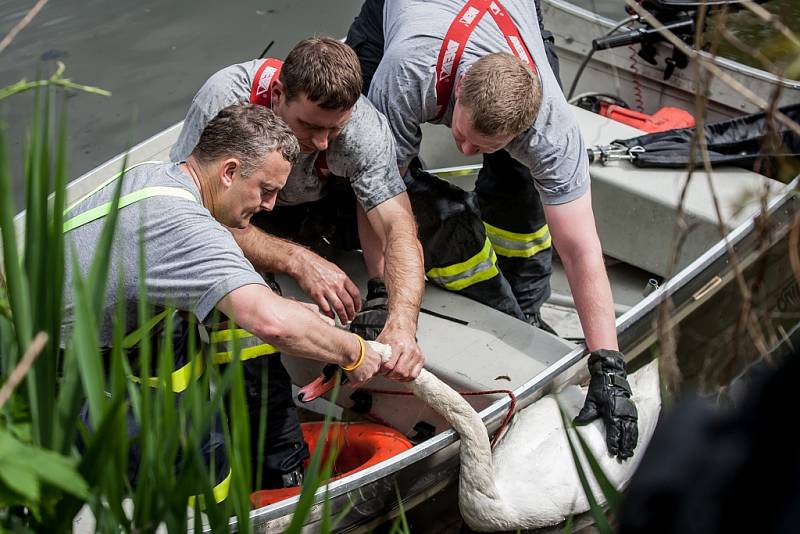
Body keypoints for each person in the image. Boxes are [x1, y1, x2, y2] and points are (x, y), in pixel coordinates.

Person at [345, 0, 638, 458]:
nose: (462, 149)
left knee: (519, 188)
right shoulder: (407, 72)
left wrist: (609, 366)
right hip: (409, 18)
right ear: (459, 89)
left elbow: (582, 249)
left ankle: (526, 309)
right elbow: (377, 194)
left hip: (509, 12)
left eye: (483, 147)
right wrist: (382, 292)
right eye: (462, 135)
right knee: (368, 151)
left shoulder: (552, 131)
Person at [62, 104, 388, 496]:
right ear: (230, 171)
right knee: (198, 447)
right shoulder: (186, 227)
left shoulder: (152, 178)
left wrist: (282, 309)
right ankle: (213, 512)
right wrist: (353, 351)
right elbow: (272, 325)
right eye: (265, 190)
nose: (269, 206)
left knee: (217, 320)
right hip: (51, 377)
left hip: (73, 331)